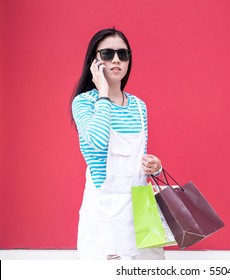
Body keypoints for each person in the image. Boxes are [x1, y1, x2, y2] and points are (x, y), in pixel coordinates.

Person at [70, 28, 165, 260]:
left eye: (123, 54)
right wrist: (103, 92)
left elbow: (136, 160)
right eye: (107, 53)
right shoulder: (84, 103)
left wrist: (155, 166)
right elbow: (97, 142)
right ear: (95, 62)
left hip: (142, 209)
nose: (116, 60)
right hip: (106, 213)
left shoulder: (139, 106)